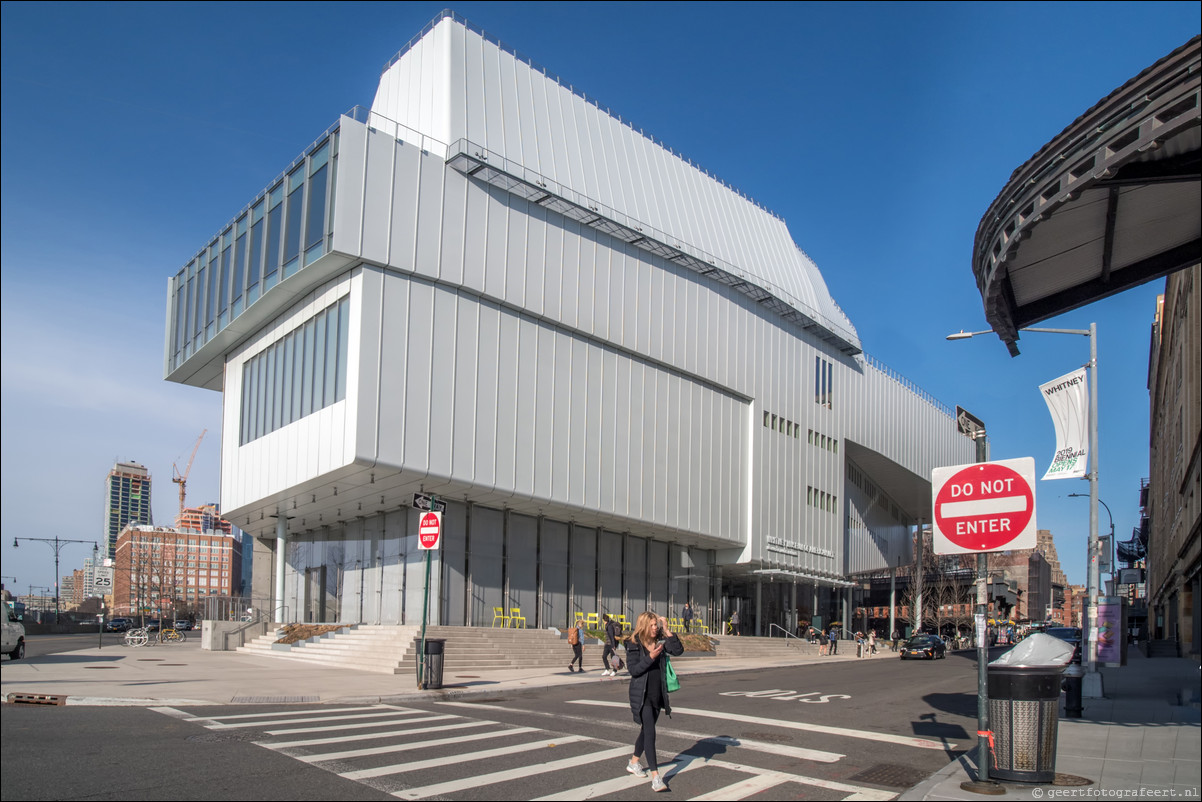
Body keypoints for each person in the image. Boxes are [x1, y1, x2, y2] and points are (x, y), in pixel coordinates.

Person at [624, 612, 683, 793]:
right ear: (643, 626)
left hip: (658, 695)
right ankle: (656, 777)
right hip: (642, 697)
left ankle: (634, 762)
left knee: (645, 731)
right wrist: (650, 657)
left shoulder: (660, 641)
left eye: (656, 625)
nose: (654, 628)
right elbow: (634, 670)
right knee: (650, 733)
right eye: (651, 625)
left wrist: (667, 629)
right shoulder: (634, 644)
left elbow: (678, 650)